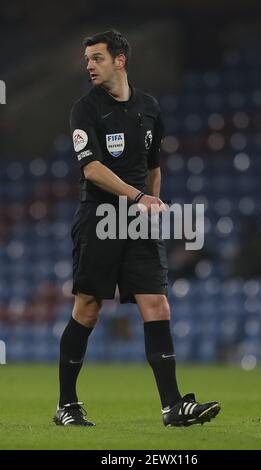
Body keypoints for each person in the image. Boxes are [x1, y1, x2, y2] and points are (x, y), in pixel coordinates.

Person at [53, 29, 220, 427]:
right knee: (88, 309)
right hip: (99, 220)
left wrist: (150, 206)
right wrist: (138, 197)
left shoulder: (149, 107)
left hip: (137, 221)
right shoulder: (85, 109)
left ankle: (173, 406)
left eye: (97, 58)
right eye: (87, 60)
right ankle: (66, 405)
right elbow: (91, 169)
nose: (89, 65)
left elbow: (154, 166)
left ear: (120, 60)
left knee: (157, 304)